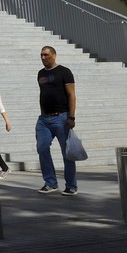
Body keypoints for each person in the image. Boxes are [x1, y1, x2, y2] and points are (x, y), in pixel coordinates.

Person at [34, 44, 77, 194]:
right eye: (41, 55)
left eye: (46, 55)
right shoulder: (40, 74)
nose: (43, 58)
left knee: (67, 153)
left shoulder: (64, 72)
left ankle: (71, 186)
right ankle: (50, 182)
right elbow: (42, 95)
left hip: (62, 118)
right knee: (42, 148)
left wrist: (71, 116)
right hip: (44, 120)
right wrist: (42, 114)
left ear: (54, 55)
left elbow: (71, 95)